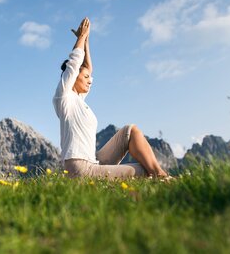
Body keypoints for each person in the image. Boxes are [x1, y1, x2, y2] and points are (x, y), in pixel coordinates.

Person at [52, 17, 169, 179]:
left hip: (92, 162)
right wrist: (81, 37)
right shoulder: (64, 97)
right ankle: (161, 178)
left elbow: (87, 67)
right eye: (85, 77)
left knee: (130, 131)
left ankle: (161, 175)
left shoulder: (78, 99)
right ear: (73, 77)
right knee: (144, 171)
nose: (90, 80)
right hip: (79, 168)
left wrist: (86, 39)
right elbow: (74, 63)